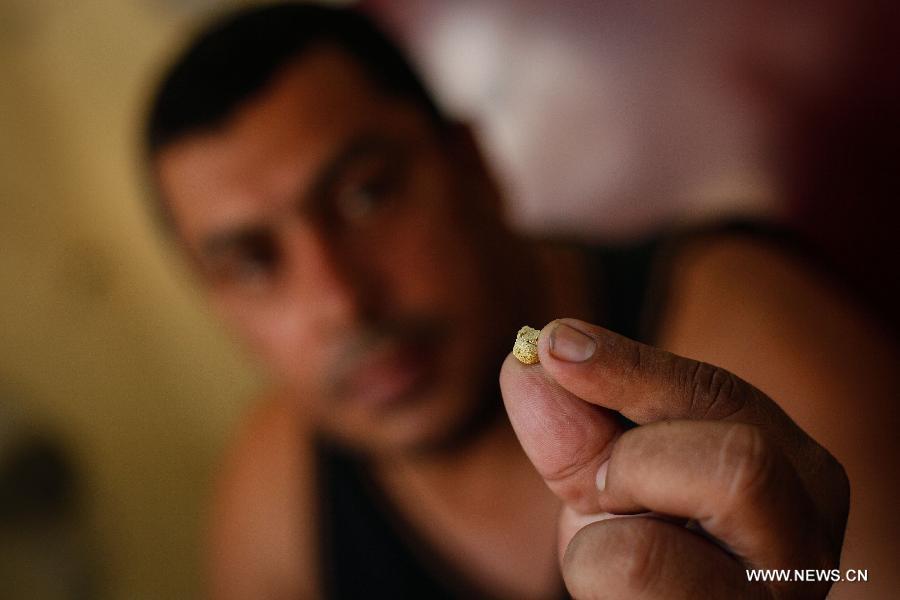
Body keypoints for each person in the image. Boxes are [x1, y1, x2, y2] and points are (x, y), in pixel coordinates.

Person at [142, 4, 897, 598]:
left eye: (367, 196)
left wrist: (794, 586)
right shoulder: (275, 499)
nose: (340, 300)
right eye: (252, 262)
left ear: (471, 166)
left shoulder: (745, 346)